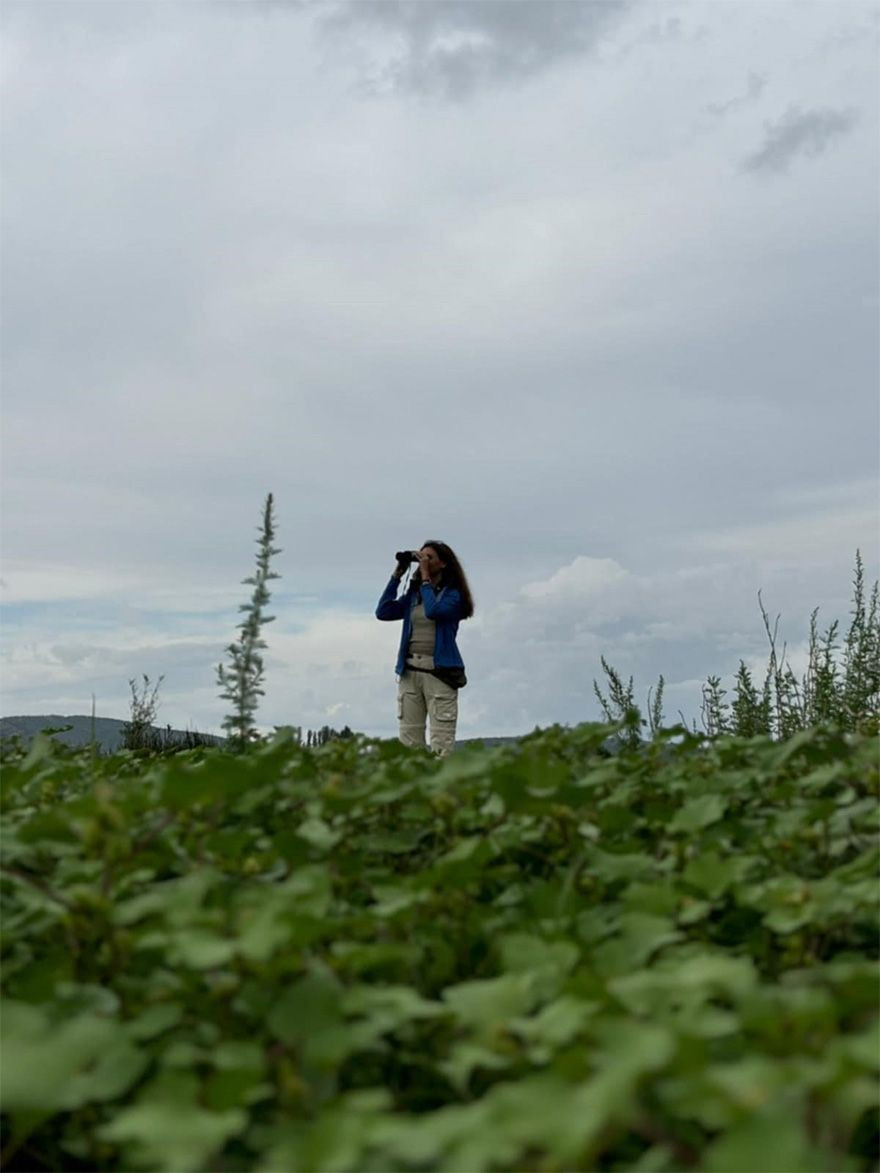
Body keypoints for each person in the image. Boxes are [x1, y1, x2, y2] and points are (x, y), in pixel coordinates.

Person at [375, 541, 475, 756]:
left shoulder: (453, 595)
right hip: (410, 671)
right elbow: (383, 612)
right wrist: (397, 575)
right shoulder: (415, 595)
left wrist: (426, 579)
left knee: (441, 742)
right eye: (421, 557)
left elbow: (434, 610)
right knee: (409, 741)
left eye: (429, 558)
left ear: (444, 564)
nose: (423, 562)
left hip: (439, 673)